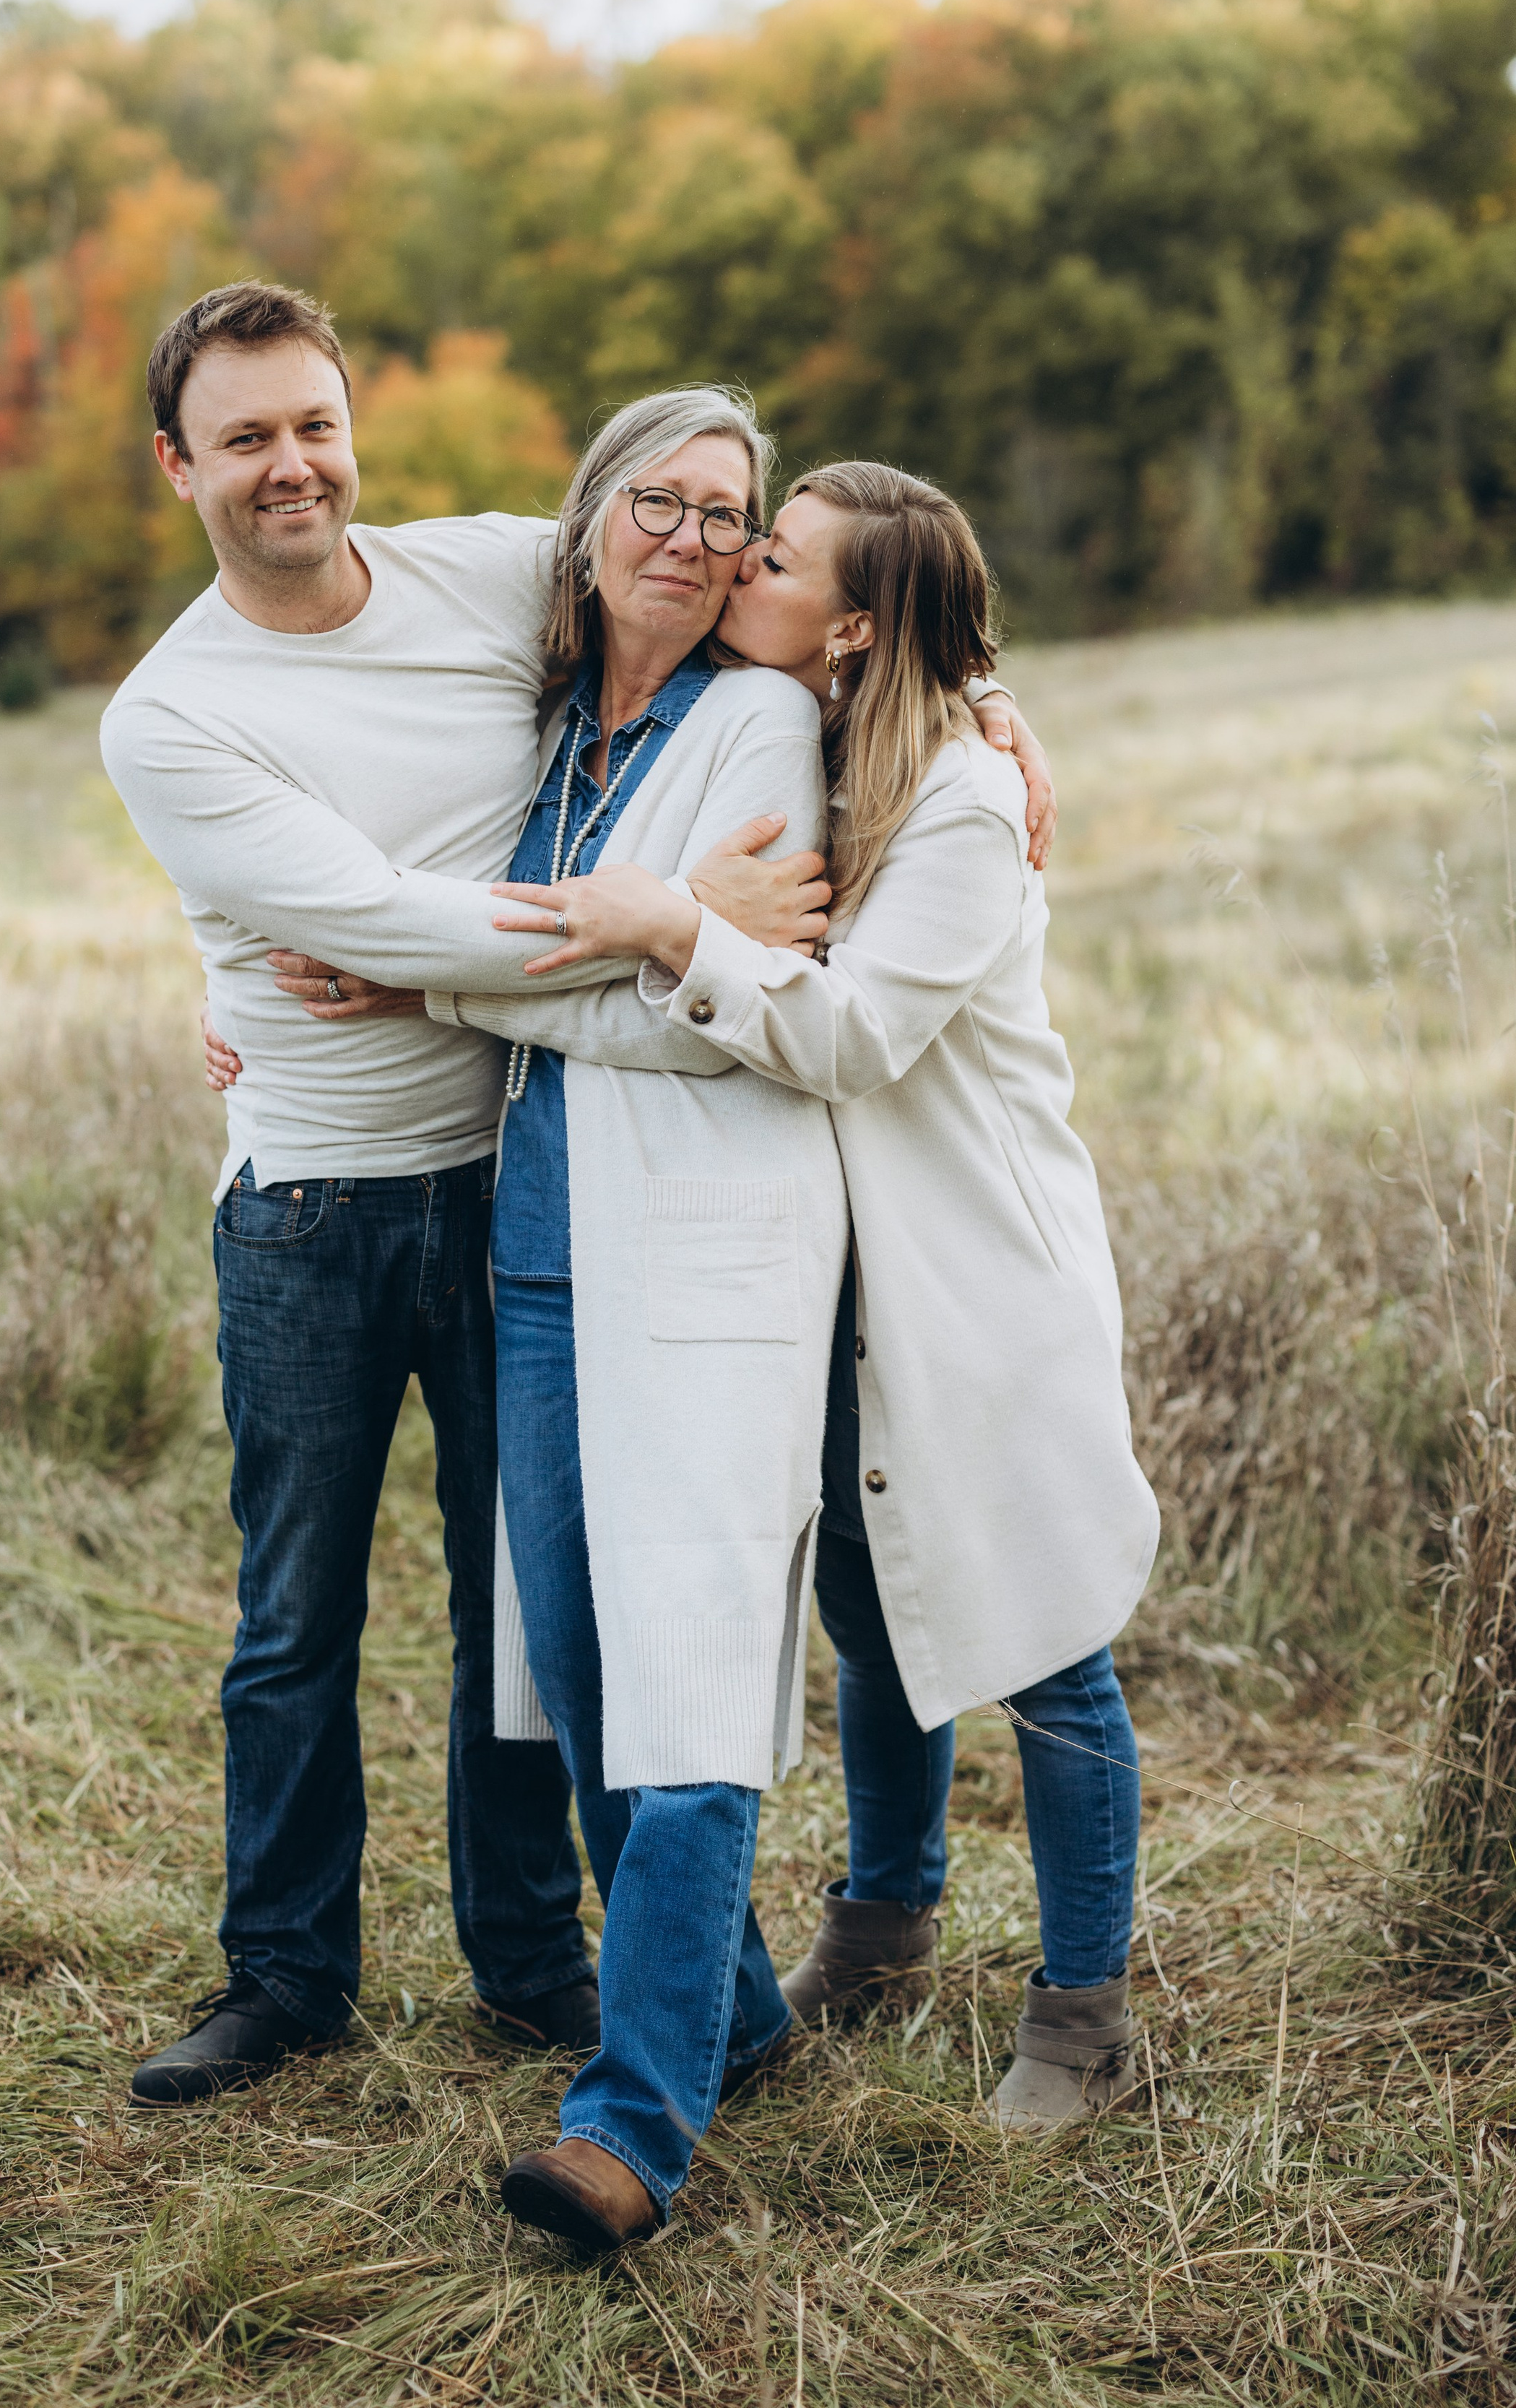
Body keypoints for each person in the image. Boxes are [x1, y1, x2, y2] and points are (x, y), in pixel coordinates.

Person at [103, 282, 1046, 2108]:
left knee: (522, 1612)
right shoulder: (169, 714)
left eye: (314, 425)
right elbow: (374, 923)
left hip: (509, 1179)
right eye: (244, 438)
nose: (291, 465)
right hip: (310, 1195)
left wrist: (984, 693)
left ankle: (530, 1954)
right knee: (295, 1614)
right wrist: (669, 927)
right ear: (176, 464)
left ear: (352, 430)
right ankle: (284, 1974)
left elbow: (755, 565)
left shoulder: (485, 571)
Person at [485, 459, 1160, 2136]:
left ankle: (1083, 2016)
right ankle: (878, 1928)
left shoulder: (960, 803)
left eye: (773, 559)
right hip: (833, 1281)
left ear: (852, 625)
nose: (735, 566)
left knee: (1044, 1644)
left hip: (977, 1278)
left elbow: (853, 1036)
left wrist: (667, 927)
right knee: (870, 1615)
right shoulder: (820, 744)